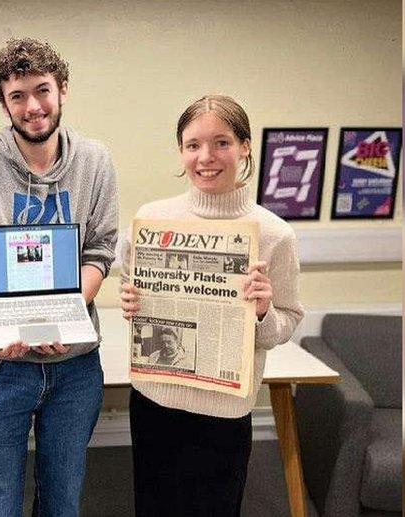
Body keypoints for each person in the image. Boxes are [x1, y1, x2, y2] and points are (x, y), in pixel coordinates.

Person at [0, 38, 119, 517]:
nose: (33, 106)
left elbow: (101, 251)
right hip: (1, 364)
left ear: (62, 89)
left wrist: (57, 320)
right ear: (3, 102)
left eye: (42, 90)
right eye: (17, 95)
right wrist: (4, 319)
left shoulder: (95, 161)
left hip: (75, 366)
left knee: (62, 503)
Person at [120, 94, 303, 517]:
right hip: (155, 399)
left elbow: (284, 325)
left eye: (221, 143)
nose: (206, 157)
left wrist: (263, 309)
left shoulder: (275, 235)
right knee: (153, 507)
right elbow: (132, 293)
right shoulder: (152, 219)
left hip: (224, 408)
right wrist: (131, 302)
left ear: (245, 147)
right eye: (193, 145)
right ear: (181, 151)